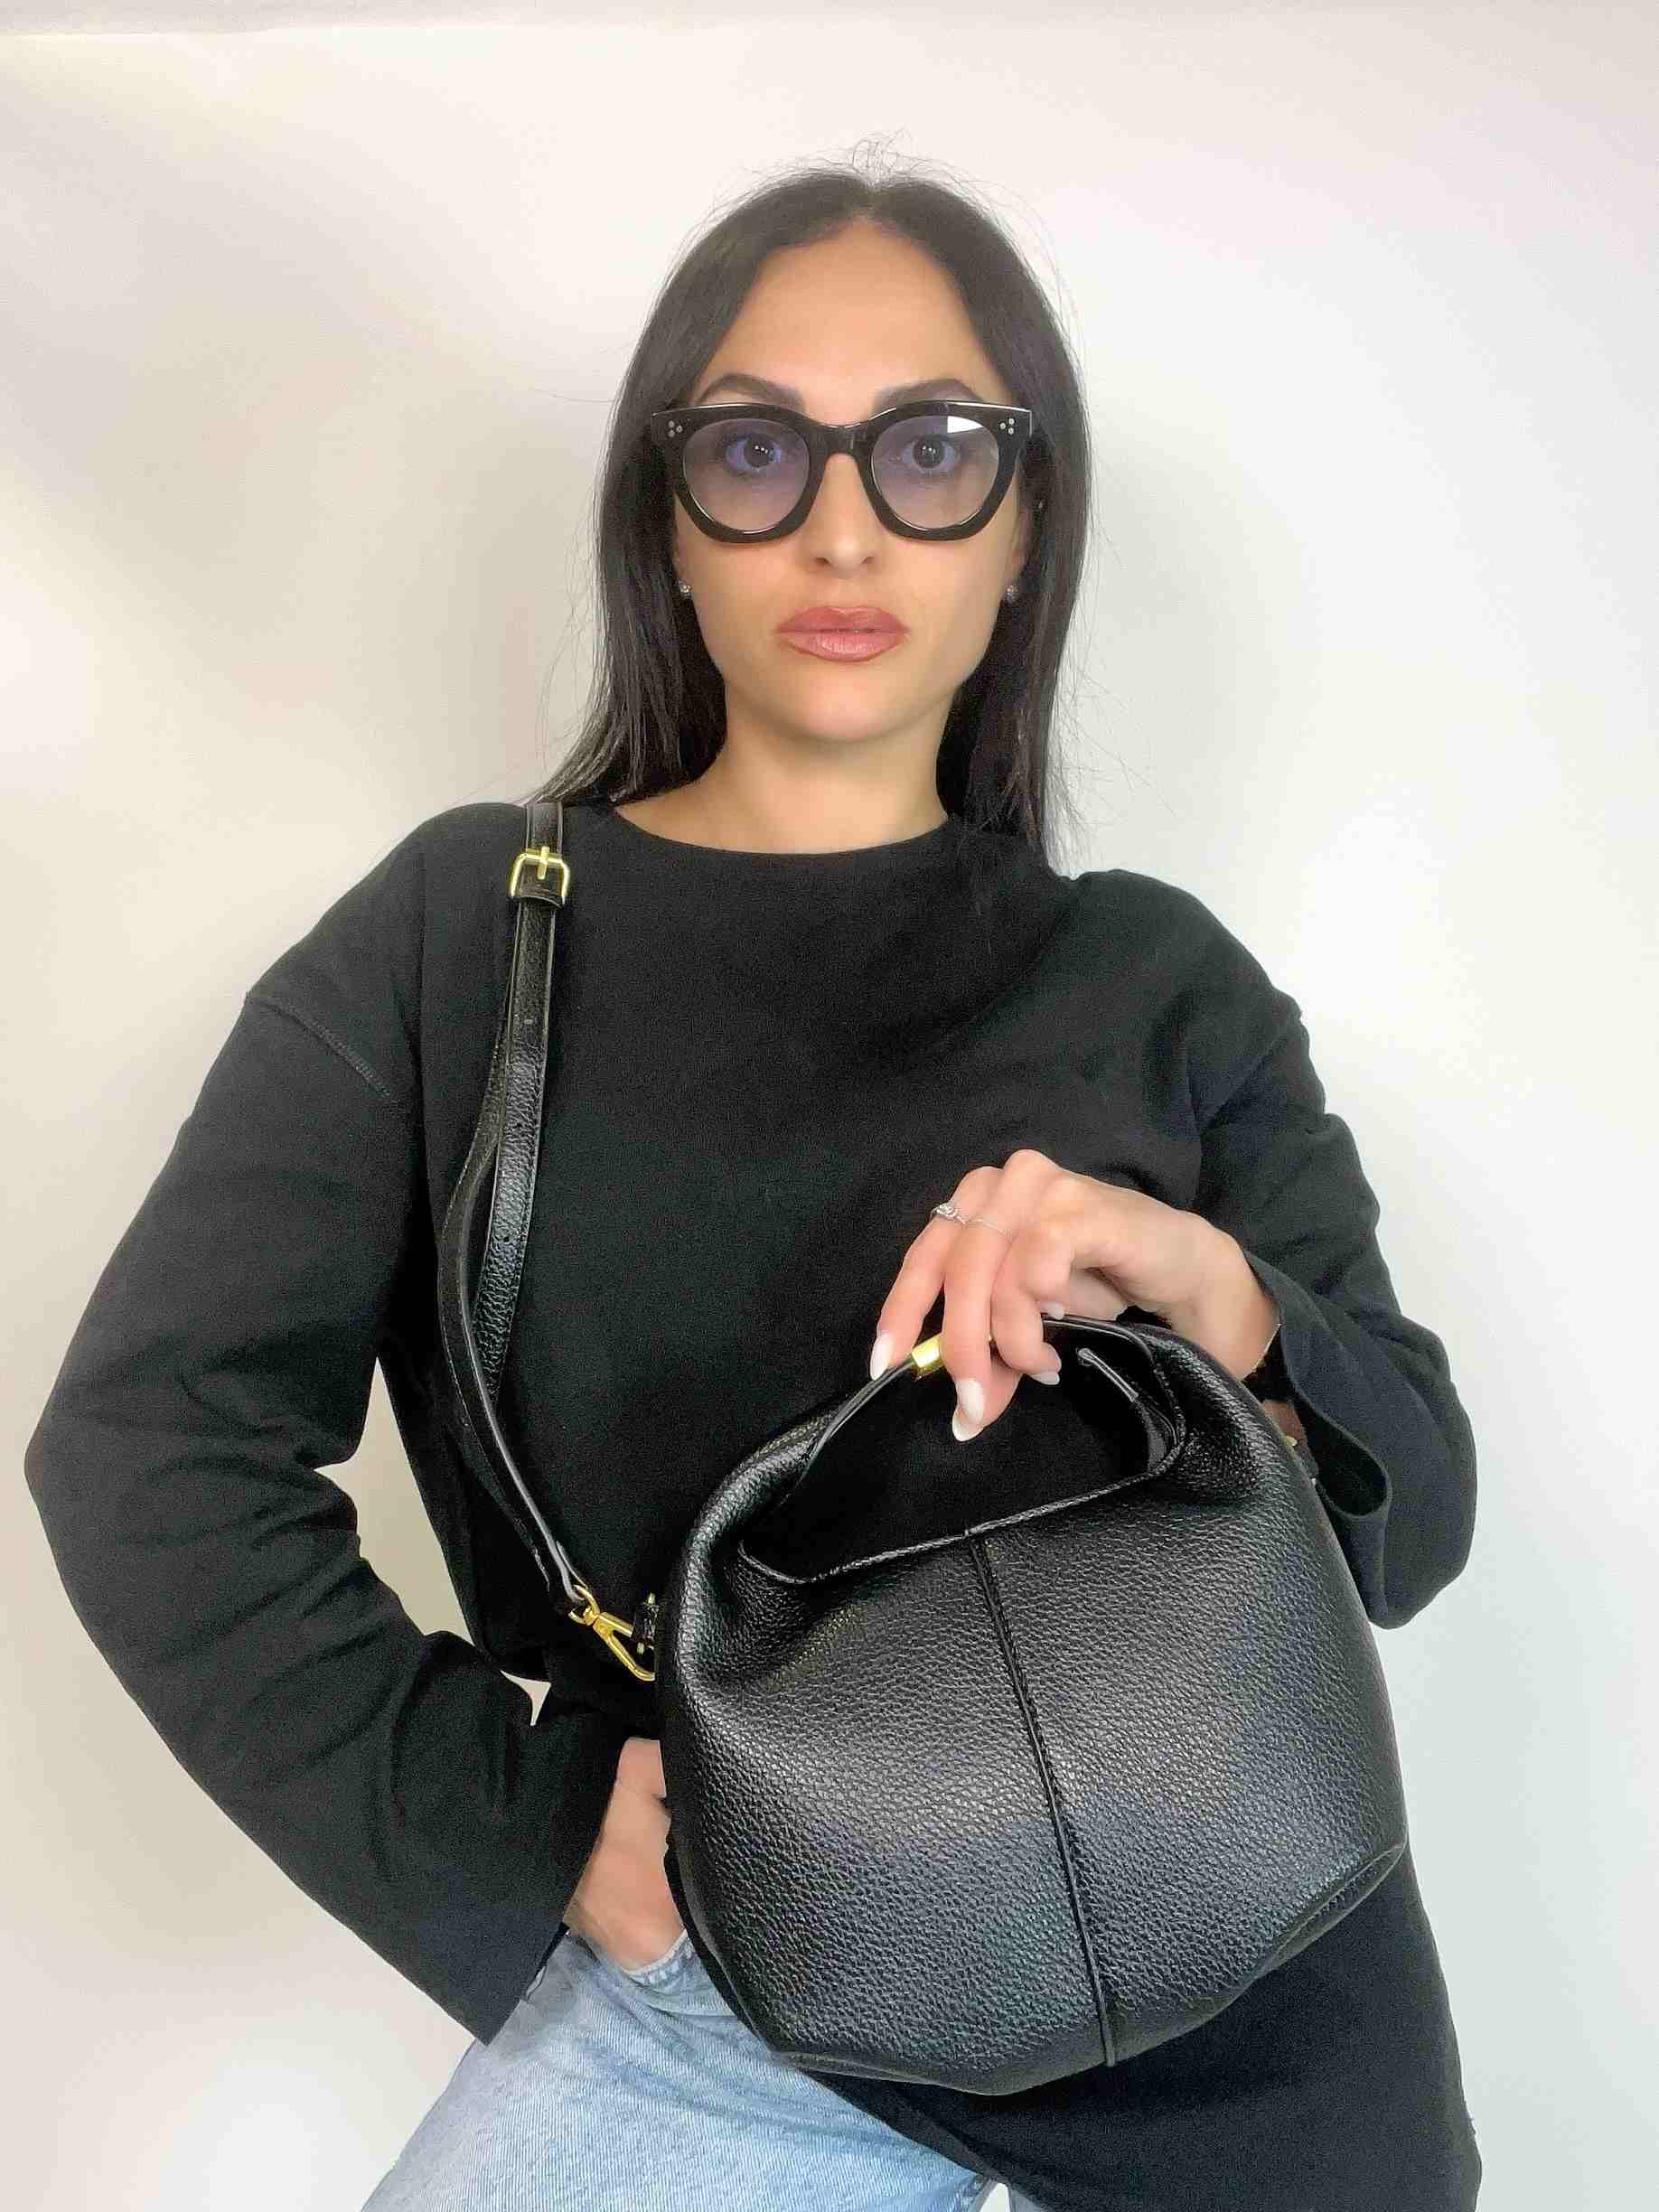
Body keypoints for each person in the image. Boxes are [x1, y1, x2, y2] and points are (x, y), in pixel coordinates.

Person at [23, 155, 1482, 2212]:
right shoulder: (466, 936)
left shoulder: (1162, 977)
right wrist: (526, 1819)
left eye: (933, 450)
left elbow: (1418, 1518)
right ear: (669, 527)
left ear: (1026, 530)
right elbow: (146, 1449)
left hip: (1257, 2006)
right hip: (733, 1995)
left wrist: (1210, 1292)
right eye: (755, 449)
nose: (843, 523)